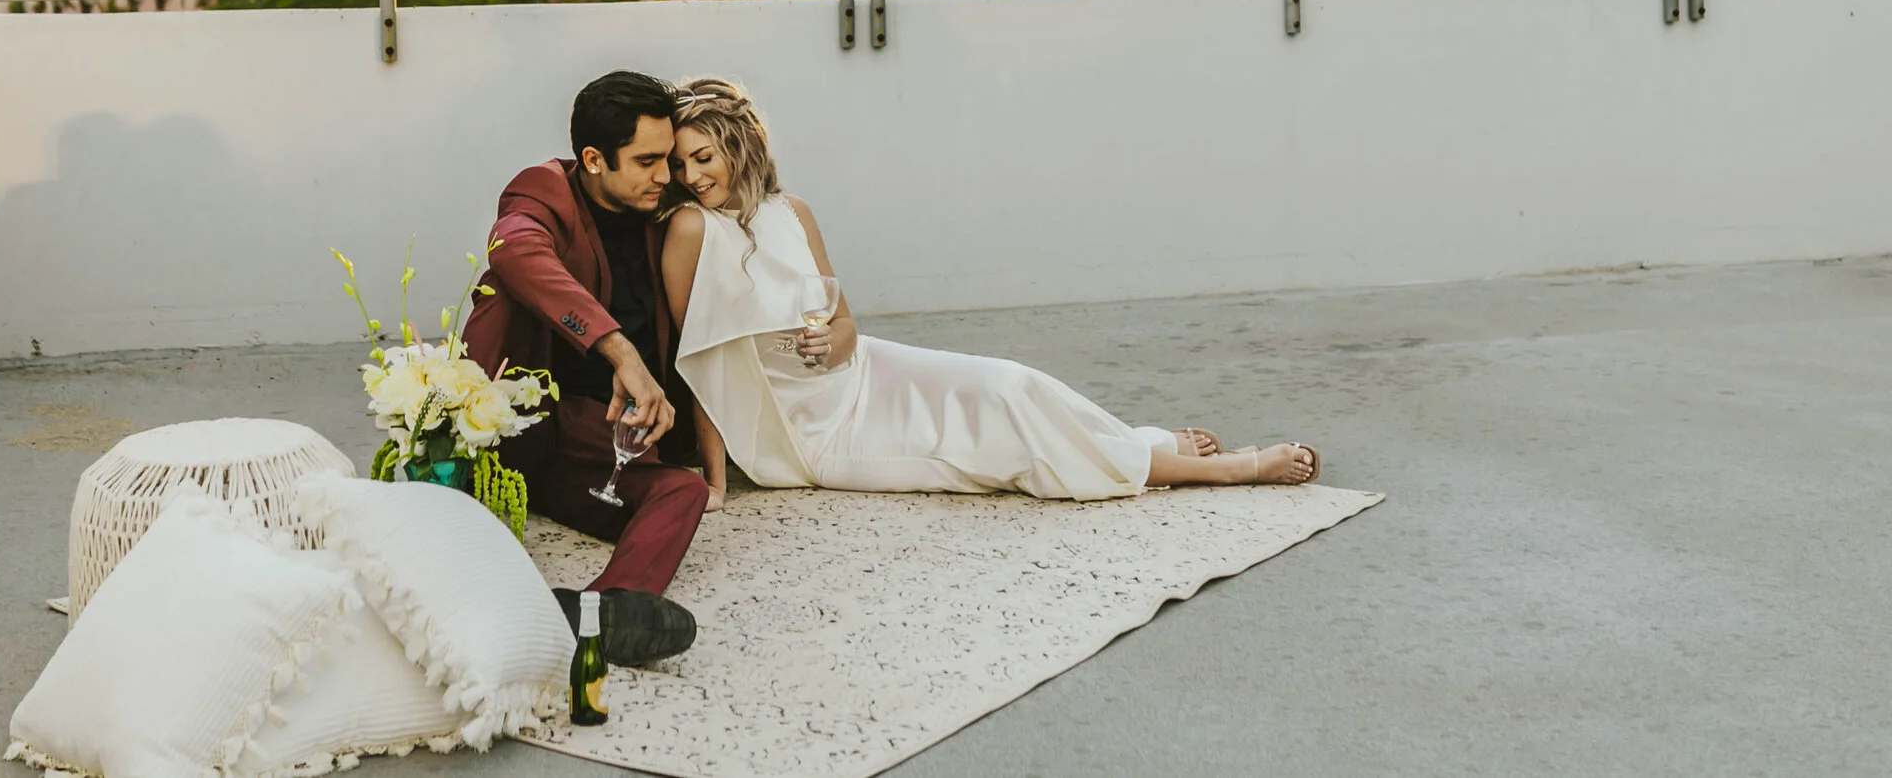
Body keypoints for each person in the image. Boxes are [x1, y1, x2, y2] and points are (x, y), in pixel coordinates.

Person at [659, 78, 1320, 507]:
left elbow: (846, 324)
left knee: (1010, 384)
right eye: (681, 162)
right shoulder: (692, 230)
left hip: (865, 373)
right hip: (811, 435)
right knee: (1001, 452)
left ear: (740, 148)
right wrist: (716, 481)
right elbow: (704, 367)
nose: (691, 175)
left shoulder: (791, 210)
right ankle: (1223, 470)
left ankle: (1132, 442)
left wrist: (829, 341)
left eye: (704, 157)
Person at [461, 70, 706, 666]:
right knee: (507, 287)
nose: (665, 176)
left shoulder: (665, 205)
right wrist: (621, 351)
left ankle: (601, 613)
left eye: (668, 158)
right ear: (593, 159)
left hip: (598, 438)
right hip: (523, 423)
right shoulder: (542, 191)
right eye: (647, 161)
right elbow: (514, 249)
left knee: (683, 489)